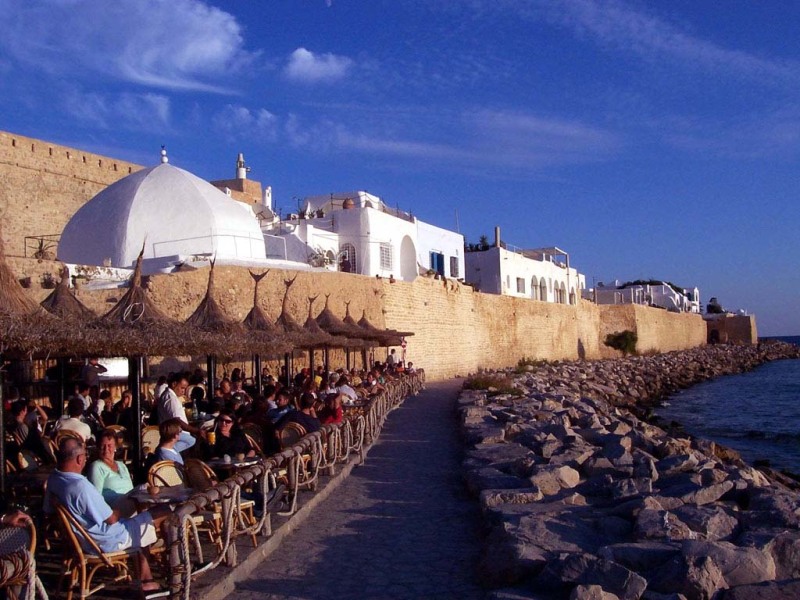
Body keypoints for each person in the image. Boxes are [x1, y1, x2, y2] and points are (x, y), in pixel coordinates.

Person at [46, 437, 170, 594]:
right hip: (107, 540)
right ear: (79, 458)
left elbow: (49, 512)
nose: (86, 459)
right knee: (165, 512)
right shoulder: (80, 486)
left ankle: (146, 579)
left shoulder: (54, 479)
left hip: (84, 540)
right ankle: (173, 569)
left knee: (140, 520)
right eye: (85, 455)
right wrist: (121, 508)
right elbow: (111, 519)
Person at [87, 429, 135, 514]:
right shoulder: (97, 466)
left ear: (115, 447)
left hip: (130, 502)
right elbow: (96, 497)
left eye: (109, 446)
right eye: (103, 446)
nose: (106, 449)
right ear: (98, 447)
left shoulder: (122, 465)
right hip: (114, 509)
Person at [156, 373, 202, 452]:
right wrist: (196, 431)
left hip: (175, 434)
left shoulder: (169, 395)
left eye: (185, 388)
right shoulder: (171, 399)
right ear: (174, 384)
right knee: (192, 440)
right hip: (175, 434)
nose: (183, 391)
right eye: (182, 388)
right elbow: (177, 420)